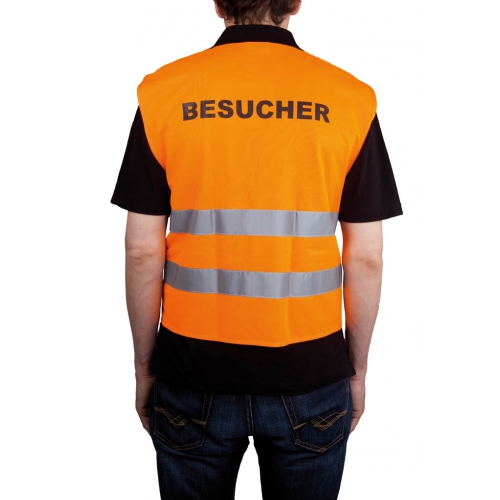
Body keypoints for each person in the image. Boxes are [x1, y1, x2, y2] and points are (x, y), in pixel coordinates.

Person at [110, 1, 403, 498]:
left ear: (219, 4)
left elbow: (141, 250)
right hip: (311, 375)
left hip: (191, 371)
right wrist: (357, 371)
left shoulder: (164, 92)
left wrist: (144, 369)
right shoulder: (350, 98)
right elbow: (366, 256)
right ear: (295, 3)